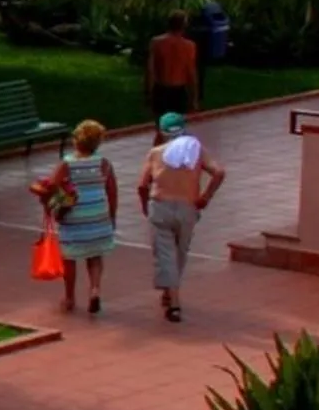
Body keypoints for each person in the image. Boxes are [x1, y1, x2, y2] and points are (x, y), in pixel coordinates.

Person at [137, 111, 225, 323]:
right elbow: (219, 172)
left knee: (165, 253)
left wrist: (144, 207)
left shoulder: (156, 153)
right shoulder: (196, 151)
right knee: (179, 253)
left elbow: (141, 185)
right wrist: (205, 198)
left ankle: (174, 302)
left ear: (162, 132)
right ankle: (171, 291)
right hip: (187, 208)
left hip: (160, 206)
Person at [31, 120, 118, 315]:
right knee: (95, 256)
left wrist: (49, 199)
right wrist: (111, 216)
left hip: (73, 217)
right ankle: (95, 289)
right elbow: (112, 191)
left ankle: (70, 297)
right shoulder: (104, 163)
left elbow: (52, 185)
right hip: (97, 217)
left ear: (76, 141)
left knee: (69, 258)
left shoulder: (67, 163)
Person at [146, 10, 199, 125]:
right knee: (176, 128)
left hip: (161, 90)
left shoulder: (156, 42)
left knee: (160, 127)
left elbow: (151, 70)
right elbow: (191, 73)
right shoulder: (189, 46)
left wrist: (149, 93)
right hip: (179, 92)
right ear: (184, 26)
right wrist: (193, 97)